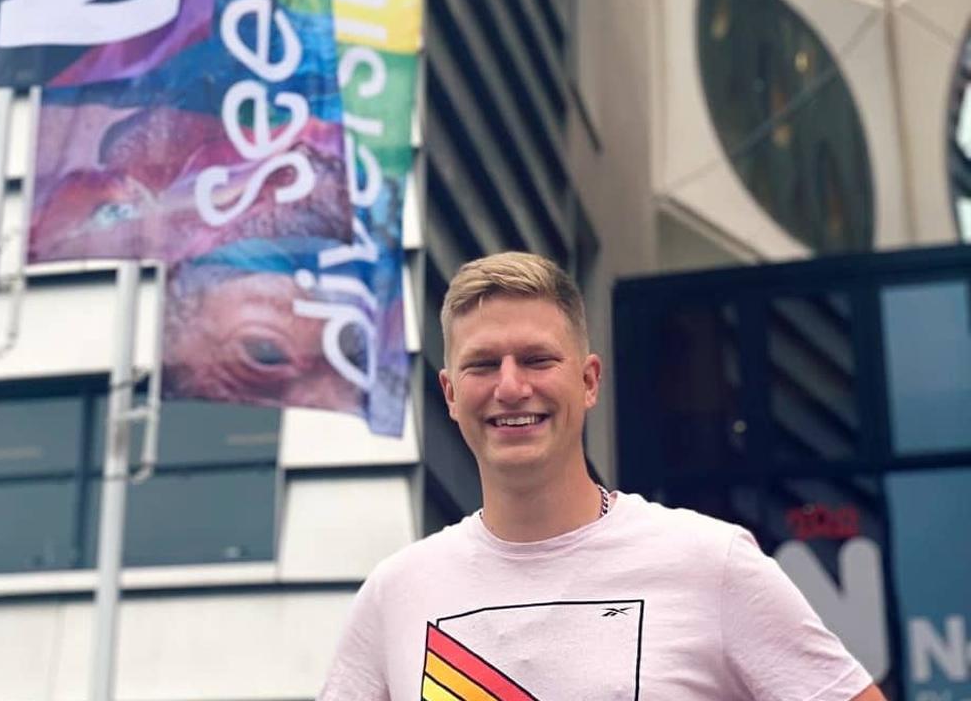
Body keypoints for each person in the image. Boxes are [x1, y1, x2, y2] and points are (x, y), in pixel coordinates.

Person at [318, 251, 885, 700]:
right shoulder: (395, 593)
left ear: (589, 381)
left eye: (538, 360)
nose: (511, 387)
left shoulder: (710, 562)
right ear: (449, 394)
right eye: (483, 364)